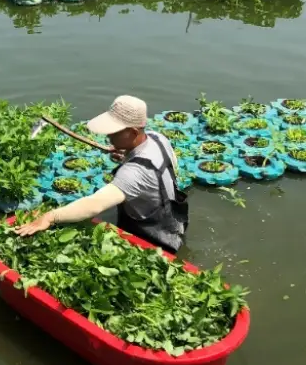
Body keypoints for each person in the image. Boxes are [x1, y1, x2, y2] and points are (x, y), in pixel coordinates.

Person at [15, 95, 189, 253]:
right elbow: (158, 168)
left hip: (152, 237)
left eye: (114, 132)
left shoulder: (134, 173)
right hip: (173, 221)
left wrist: (50, 217)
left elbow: (94, 205)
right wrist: (128, 156)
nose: (108, 136)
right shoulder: (157, 138)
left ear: (133, 132)